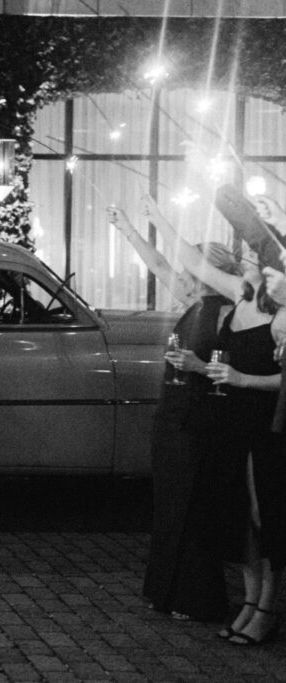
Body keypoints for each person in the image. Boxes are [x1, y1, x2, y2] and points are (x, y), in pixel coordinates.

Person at [146, 194, 286, 646]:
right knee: (241, 519)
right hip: (232, 422)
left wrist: (242, 377)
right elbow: (192, 264)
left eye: (260, 263)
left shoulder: (280, 315)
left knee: (267, 519)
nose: (251, 266)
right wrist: (158, 218)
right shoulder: (241, 297)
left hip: (268, 426)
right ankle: (248, 602)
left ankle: (267, 609)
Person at [109, 204, 239, 621]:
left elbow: (219, 367)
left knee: (193, 506)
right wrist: (128, 226)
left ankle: (197, 599)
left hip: (200, 417)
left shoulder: (225, 310)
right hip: (172, 413)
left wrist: (198, 367)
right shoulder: (193, 303)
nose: (180, 274)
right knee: (168, 505)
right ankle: (163, 591)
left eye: (192, 267)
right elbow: (160, 262)